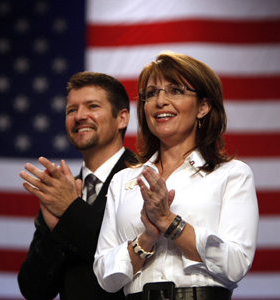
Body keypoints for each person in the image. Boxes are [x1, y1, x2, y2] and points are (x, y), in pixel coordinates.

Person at [93, 52, 259, 300]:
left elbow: (235, 264)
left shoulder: (232, 174)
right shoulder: (123, 181)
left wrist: (169, 222)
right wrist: (147, 238)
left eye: (175, 91)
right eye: (151, 94)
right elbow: (106, 276)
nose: (160, 101)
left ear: (203, 107)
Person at [18, 71, 135, 300]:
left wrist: (70, 213)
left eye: (92, 106)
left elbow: (126, 257)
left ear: (122, 118)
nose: (80, 116)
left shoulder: (144, 178)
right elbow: (33, 290)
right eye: (72, 110)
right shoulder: (63, 190)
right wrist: (55, 233)